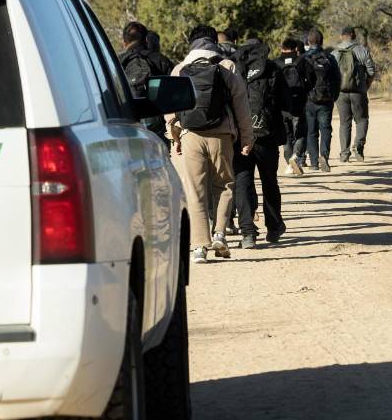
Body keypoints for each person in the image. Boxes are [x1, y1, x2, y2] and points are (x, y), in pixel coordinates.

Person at [166, 24, 253, 264]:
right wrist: (247, 137)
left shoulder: (180, 69)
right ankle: (220, 234)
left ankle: (199, 247)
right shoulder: (227, 66)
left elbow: (171, 112)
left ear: (191, 43)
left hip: (190, 135)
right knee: (225, 185)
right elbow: (241, 107)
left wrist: (175, 137)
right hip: (222, 136)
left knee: (196, 191)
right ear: (214, 42)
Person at [223, 38, 289, 248]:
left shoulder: (232, 69)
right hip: (266, 135)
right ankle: (274, 226)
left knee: (242, 182)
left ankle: (248, 232)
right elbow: (284, 101)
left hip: (240, 135)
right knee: (270, 181)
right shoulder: (272, 68)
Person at [118, 21, 175, 143]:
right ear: (145, 40)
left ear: (124, 42)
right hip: (158, 133)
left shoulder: (115, 64)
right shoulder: (160, 60)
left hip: (126, 131)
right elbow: (176, 93)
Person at [332, 26, 377, 163]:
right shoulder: (362, 50)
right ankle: (358, 146)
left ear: (342, 36)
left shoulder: (334, 53)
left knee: (344, 123)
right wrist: (366, 85)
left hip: (340, 93)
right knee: (362, 119)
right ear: (354, 35)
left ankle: (344, 154)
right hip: (359, 91)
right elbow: (371, 71)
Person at [302, 28, 340, 173]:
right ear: (322, 41)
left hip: (309, 100)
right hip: (326, 99)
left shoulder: (304, 57)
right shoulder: (329, 58)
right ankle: (324, 155)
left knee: (311, 131)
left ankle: (313, 162)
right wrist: (334, 96)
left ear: (308, 42)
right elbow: (337, 79)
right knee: (325, 129)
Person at [276, 37, 313, 176]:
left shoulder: (276, 63)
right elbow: (311, 80)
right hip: (299, 103)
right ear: (296, 49)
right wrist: (304, 92)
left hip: (282, 106)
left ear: (282, 48)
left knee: (286, 135)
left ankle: (289, 163)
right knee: (301, 132)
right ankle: (296, 156)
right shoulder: (301, 61)